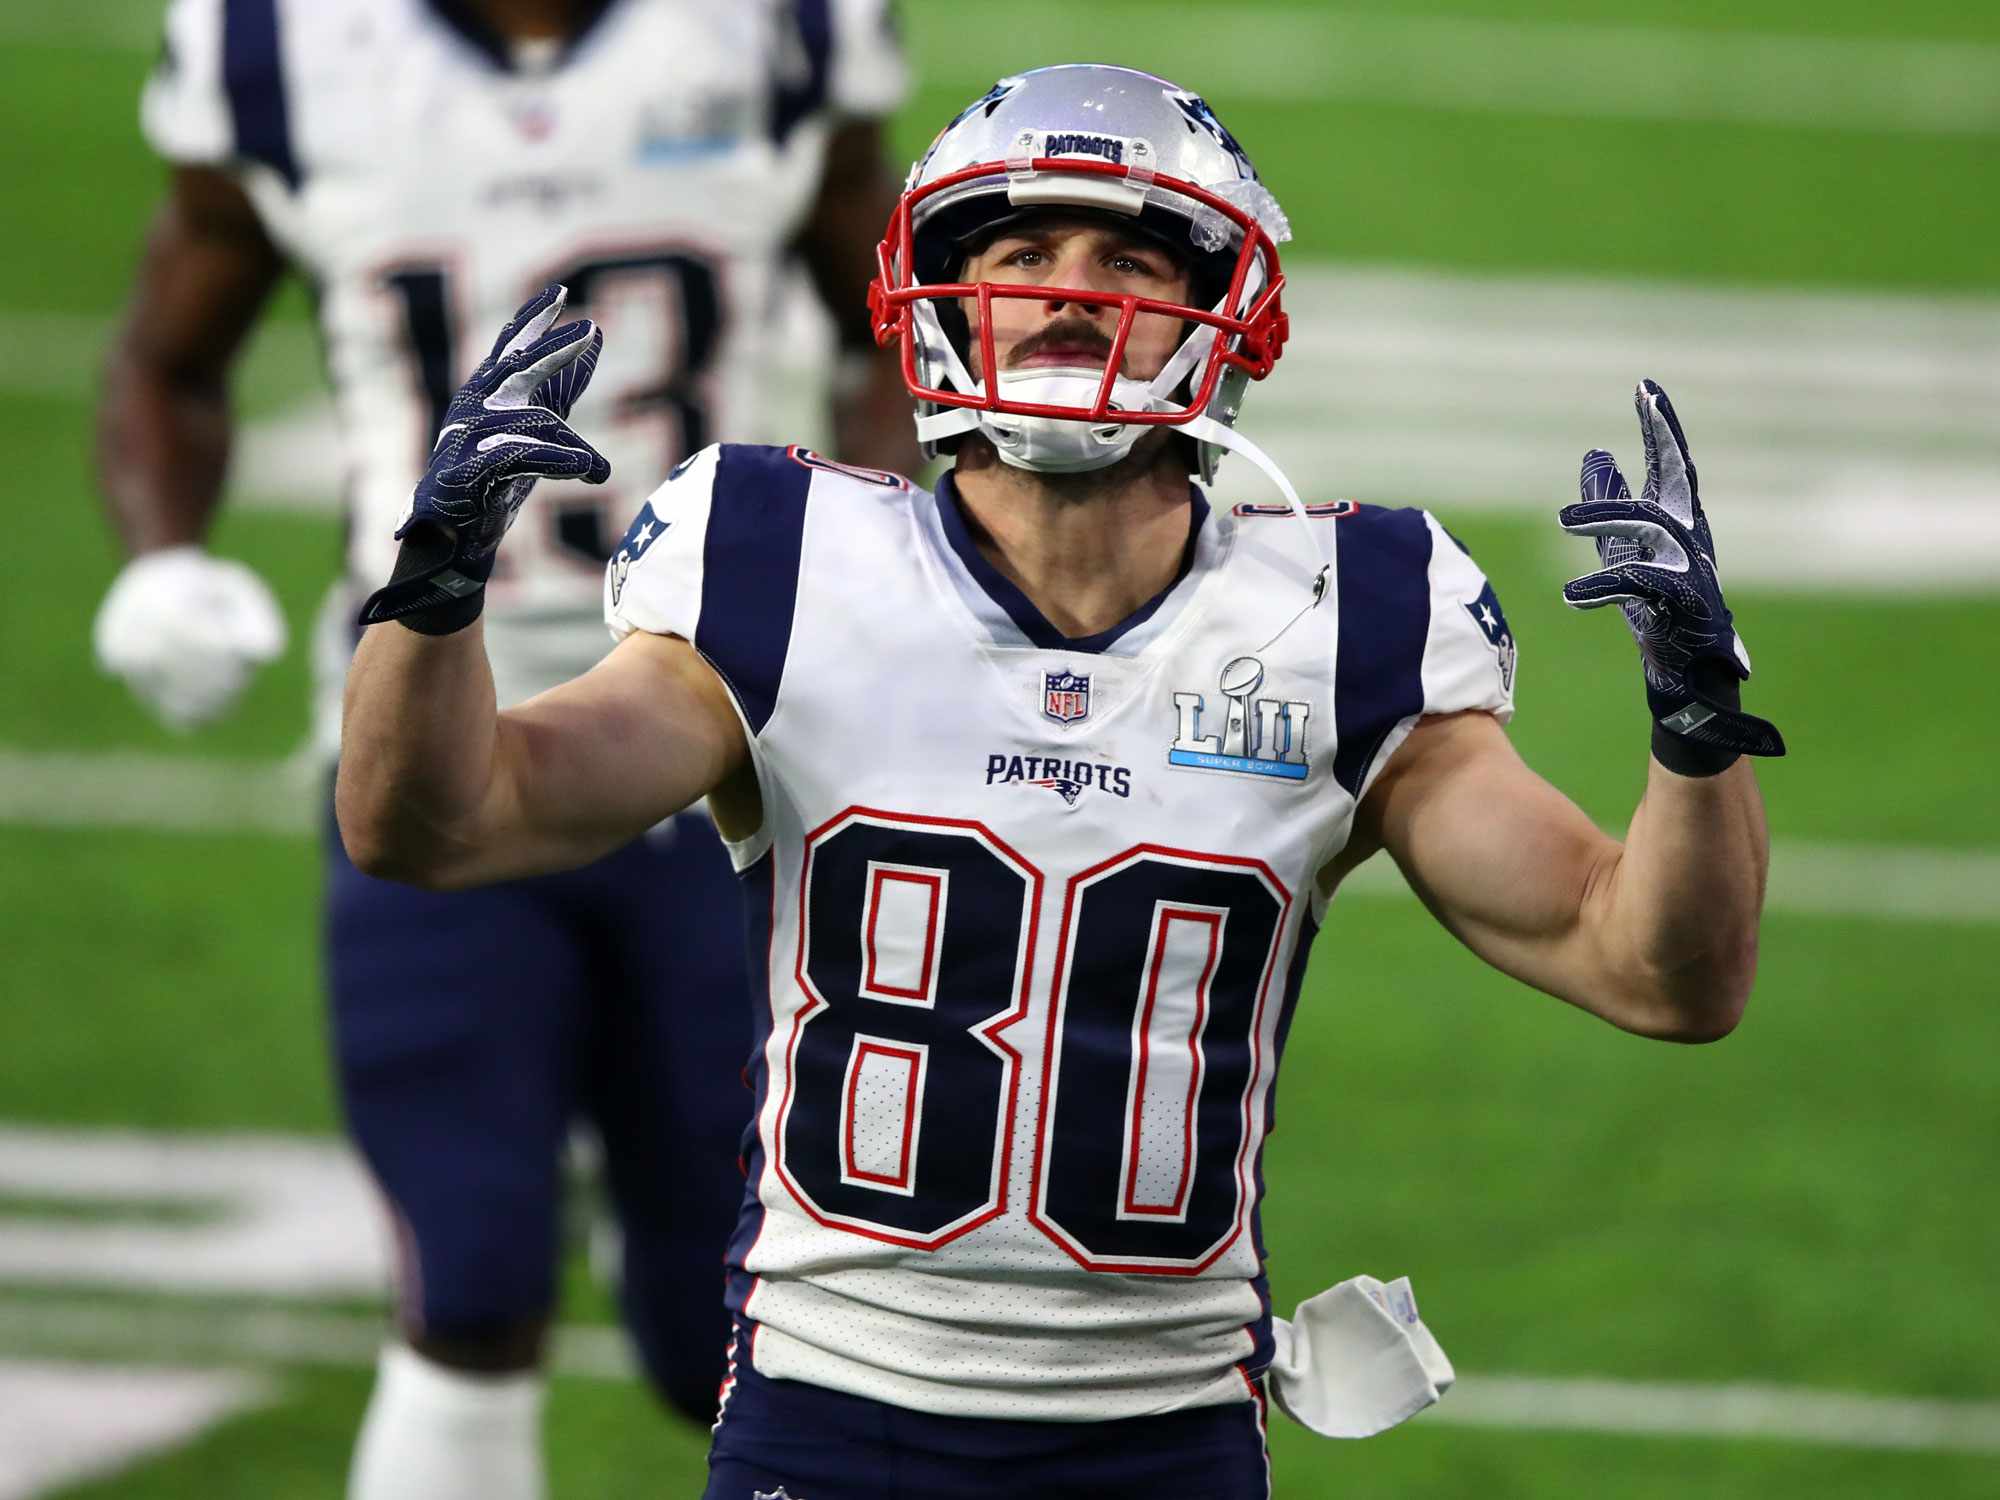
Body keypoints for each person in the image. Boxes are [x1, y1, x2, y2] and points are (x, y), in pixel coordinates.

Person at [336, 64, 1784, 1500]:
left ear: (1227, 307)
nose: (1072, 290)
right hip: (831, 1421)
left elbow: (1658, 972)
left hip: (1164, 1438)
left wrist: (1697, 741)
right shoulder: (786, 566)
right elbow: (440, 822)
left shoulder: (1342, 618)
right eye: (1023, 250)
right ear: (942, 294)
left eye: (1130, 253)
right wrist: (434, 596)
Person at [91, 2, 916, 1497]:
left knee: (714, 1334)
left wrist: (869, 550)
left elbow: (900, 332)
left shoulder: (775, 30)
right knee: (469, 1278)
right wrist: (162, 556)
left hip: (710, 741)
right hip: (425, 731)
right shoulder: (278, 46)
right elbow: (170, 357)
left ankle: (635, 1189)